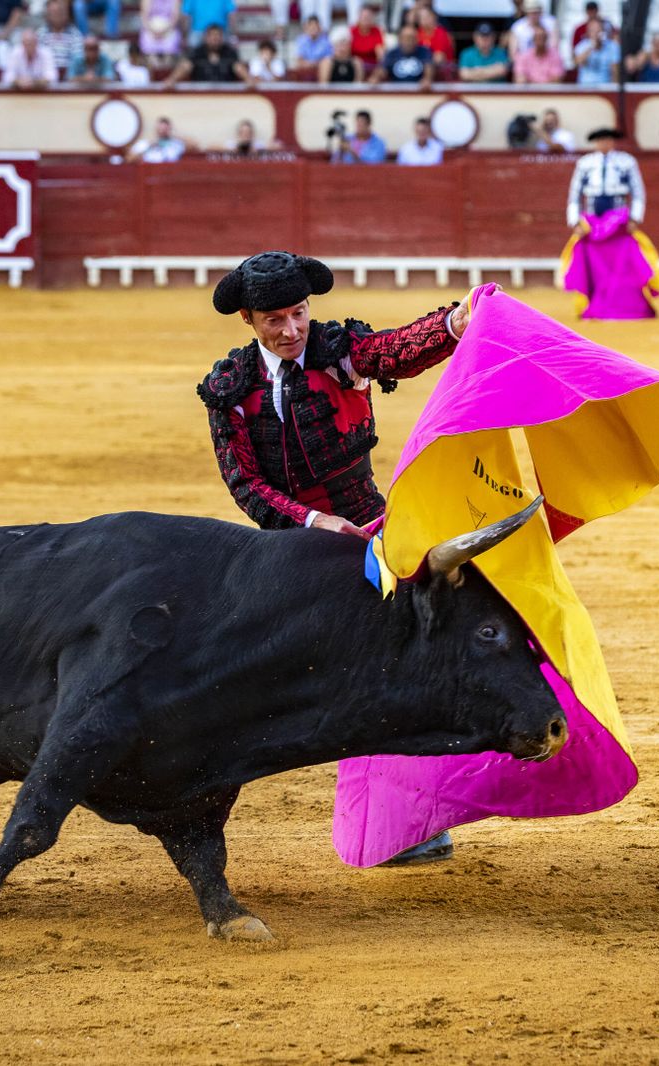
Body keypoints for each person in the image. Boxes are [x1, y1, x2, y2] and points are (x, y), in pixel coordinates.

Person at [197, 251, 471, 865]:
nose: (291, 330)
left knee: (395, 668)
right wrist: (314, 522)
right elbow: (245, 485)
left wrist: (454, 323)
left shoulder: (337, 350)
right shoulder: (230, 389)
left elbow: (396, 351)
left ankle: (408, 822)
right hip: (289, 549)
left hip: (373, 536)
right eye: (275, 319)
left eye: (298, 314)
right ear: (248, 318)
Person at [567, 126, 645, 233]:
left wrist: (635, 218)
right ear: (596, 142)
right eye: (600, 140)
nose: (604, 143)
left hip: (618, 215)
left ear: (613, 141)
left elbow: (638, 192)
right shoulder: (584, 163)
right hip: (591, 215)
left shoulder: (627, 161)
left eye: (607, 139)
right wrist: (575, 221)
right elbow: (575, 194)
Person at [165, 22, 246, 83]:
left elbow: (239, 68)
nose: (215, 39)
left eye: (217, 36)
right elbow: (185, 67)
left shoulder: (230, 52)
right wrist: (172, 79)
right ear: (205, 37)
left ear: (222, 38)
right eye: (212, 36)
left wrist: (249, 79)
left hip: (226, 94)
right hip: (201, 95)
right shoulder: (197, 52)